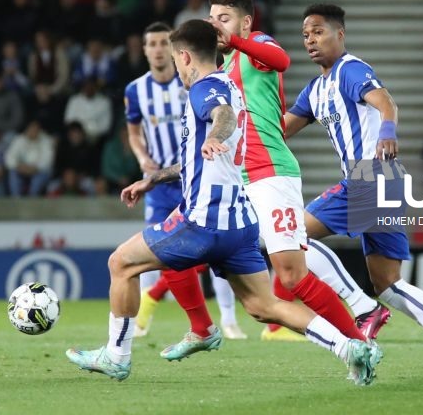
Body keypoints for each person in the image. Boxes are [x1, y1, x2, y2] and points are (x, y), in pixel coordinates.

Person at [65, 19, 381, 385]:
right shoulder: (231, 85)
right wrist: (153, 178)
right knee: (265, 307)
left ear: (184, 56)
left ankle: (117, 356)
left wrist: (215, 135)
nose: (177, 68)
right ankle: (348, 348)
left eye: (175, 59)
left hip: (203, 221)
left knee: (121, 263)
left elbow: (222, 118)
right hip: (240, 223)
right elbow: (204, 151)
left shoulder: (205, 89)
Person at [283, 3, 423, 375]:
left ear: (339, 34)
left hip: (371, 176)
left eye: (318, 31)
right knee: (389, 283)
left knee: (289, 234)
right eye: (305, 35)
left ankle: (362, 306)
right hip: (378, 181)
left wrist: (388, 131)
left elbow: (385, 101)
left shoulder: (351, 69)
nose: (310, 40)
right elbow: (281, 129)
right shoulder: (315, 90)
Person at [208, 0, 371, 343]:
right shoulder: (227, 63)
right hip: (242, 176)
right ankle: (203, 328)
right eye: (212, 19)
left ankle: (358, 337)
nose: (215, 26)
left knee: (293, 273)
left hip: (270, 172)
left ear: (245, 22)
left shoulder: (256, 45)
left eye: (224, 18)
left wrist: (235, 40)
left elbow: (281, 61)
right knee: (263, 283)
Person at [124, 22, 246, 341]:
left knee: (208, 251)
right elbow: (134, 133)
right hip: (167, 179)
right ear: (145, 49)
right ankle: (146, 318)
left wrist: (215, 138)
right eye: (151, 43)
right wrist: (144, 164)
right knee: (167, 254)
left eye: (165, 43)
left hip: (202, 177)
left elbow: (223, 115)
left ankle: (226, 321)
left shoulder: (199, 84)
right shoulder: (136, 90)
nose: (159, 49)